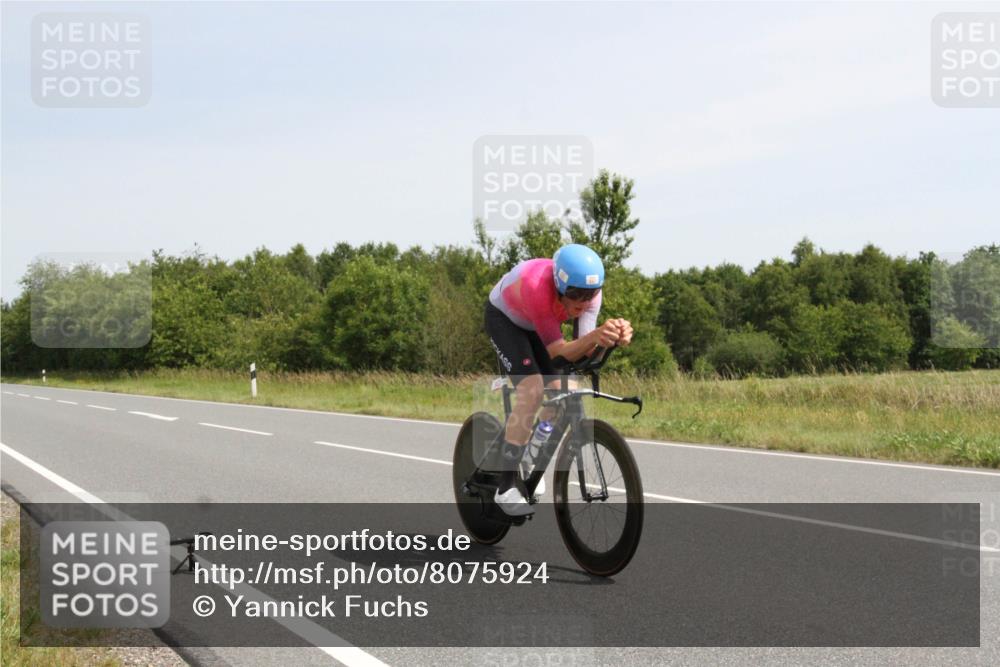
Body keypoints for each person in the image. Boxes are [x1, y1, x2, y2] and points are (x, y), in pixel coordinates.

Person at [484, 243, 633, 516]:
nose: (583, 302)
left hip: (536, 324)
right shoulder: (537, 285)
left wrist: (612, 338)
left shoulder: (589, 298)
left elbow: (581, 351)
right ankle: (504, 487)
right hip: (506, 320)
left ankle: (530, 457)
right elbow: (557, 354)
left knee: (566, 392)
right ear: (559, 284)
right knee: (532, 391)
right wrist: (596, 336)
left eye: (590, 294)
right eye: (576, 294)